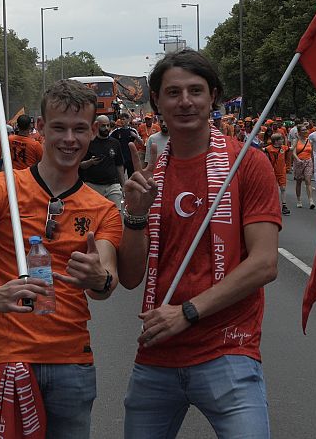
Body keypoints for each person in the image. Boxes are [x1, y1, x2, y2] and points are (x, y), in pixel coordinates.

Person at [0, 80, 122, 439]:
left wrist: (96, 277)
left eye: (79, 129)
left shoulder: (103, 209)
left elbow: (106, 285)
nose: (69, 139)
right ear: (40, 128)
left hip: (73, 363)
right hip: (8, 359)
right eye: (59, 128)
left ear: (93, 132)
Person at [117, 49, 280, 438]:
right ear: (156, 100)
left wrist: (187, 312)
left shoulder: (248, 164)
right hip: (157, 355)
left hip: (228, 351)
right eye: (173, 92)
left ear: (213, 97)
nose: (185, 101)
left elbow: (264, 263)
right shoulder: (148, 175)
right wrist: (136, 215)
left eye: (195, 90)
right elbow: (130, 277)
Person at [79, 115, 126, 209]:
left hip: (113, 185)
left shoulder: (115, 143)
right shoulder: (89, 143)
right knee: (95, 215)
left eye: (108, 125)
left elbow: (119, 166)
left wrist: (123, 186)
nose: (106, 128)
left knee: (114, 214)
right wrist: (91, 162)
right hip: (93, 185)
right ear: (96, 126)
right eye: (103, 126)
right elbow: (80, 165)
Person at [265, 132, 291, 215]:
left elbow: (292, 148)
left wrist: (296, 139)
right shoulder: (268, 149)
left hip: (282, 172)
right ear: (276, 141)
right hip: (272, 172)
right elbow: (261, 151)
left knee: (283, 188)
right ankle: (271, 206)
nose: (282, 140)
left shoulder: (284, 148)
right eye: (281, 139)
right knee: (273, 189)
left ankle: (284, 206)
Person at [110, 112, 141, 178]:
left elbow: (141, 143)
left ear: (128, 120)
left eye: (123, 119)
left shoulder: (133, 130)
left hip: (130, 157)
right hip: (120, 157)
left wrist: (135, 136)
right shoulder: (116, 131)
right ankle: (121, 187)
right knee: (120, 176)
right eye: (121, 119)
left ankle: (132, 187)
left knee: (132, 176)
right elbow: (108, 140)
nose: (122, 121)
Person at [293, 124, 315, 209]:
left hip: (308, 161)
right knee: (298, 181)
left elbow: (311, 153)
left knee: (308, 180)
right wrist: (298, 159)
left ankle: (311, 200)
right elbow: (293, 152)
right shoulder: (296, 140)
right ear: (299, 132)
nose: (305, 131)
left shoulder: (309, 141)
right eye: (303, 130)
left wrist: (312, 163)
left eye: (305, 129)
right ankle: (299, 200)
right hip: (299, 162)